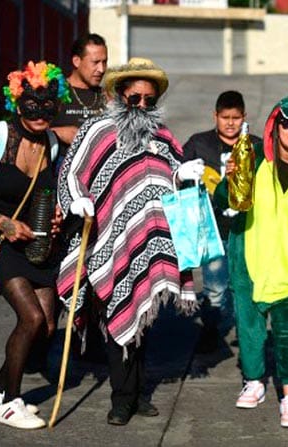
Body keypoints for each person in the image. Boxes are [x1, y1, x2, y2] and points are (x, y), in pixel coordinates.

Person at [56, 57, 197, 426]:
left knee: (143, 319)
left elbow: (172, 173)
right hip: (109, 242)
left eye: (149, 100)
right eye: (135, 98)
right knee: (117, 316)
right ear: (119, 95)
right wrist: (77, 200)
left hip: (151, 241)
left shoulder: (161, 135)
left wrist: (182, 173)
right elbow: (71, 172)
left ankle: (137, 394)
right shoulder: (98, 130)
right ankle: (121, 400)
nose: (142, 106)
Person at [0, 60, 69, 429]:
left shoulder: (52, 143)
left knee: (46, 326)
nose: (40, 113)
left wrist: (55, 214)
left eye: (48, 105)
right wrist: (2, 222)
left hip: (36, 245)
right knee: (30, 318)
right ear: (17, 102)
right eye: (32, 104)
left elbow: (45, 194)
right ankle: (10, 402)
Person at [211, 89, 288, 429]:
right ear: (276, 126)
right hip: (248, 256)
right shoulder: (255, 155)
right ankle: (254, 380)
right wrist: (230, 177)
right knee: (250, 327)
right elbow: (224, 199)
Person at [181, 90, 262, 351]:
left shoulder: (256, 145)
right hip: (212, 229)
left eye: (236, 118)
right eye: (225, 117)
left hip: (247, 230)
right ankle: (211, 329)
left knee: (246, 285)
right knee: (215, 286)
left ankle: (246, 330)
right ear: (215, 116)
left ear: (244, 117)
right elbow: (177, 173)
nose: (230, 123)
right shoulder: (198, 143)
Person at [51, 33, 108, 145]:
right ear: (76, 61)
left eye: (104, 62)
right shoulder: (56, 91)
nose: (101, 69)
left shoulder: (107, 97)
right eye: (95, 62)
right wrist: (56, 133)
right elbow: (29, 129)